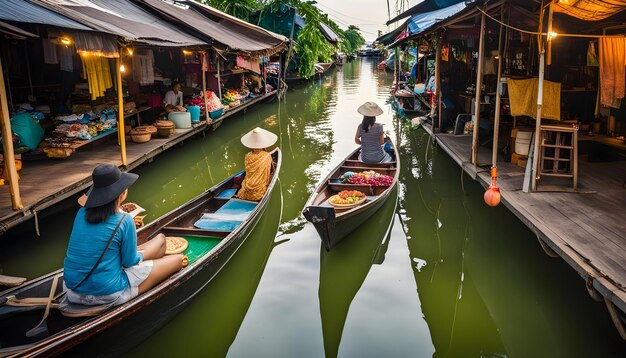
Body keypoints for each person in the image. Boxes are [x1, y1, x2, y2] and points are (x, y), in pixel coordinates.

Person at [63, 164, 186, 307]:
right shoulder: (125, 219)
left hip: (72, 290)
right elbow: (128, 262)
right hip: (108, 293)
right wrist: (141, 255)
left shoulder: (80, 214)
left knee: (160, 240)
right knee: (177, 260)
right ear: (122, 194)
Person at [237, 127, 277, 201]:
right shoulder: (266, 155)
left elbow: (248, 171)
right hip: (258, 188)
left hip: (247, 186)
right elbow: (268, 172)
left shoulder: (248, 155)